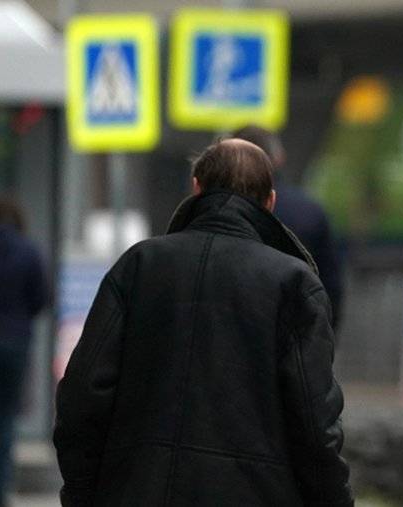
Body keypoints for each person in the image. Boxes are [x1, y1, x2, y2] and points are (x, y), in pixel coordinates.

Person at [53, 139, 353, 506]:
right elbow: (315, 422)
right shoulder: (294, 284)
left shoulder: (138, 266)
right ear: (270, 202)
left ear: (196, 188)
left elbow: (82, 396)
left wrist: (83, 492)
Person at [231, 125, 344, 328]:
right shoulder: (309, 212)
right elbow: (331, 286)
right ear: (279, 158)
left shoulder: (217, 210)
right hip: (295, 330)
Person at [0, 197, 46, 507]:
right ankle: (2, 487)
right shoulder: (28, 250)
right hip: (15, 343)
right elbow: (41, 297)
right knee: (6, 419)